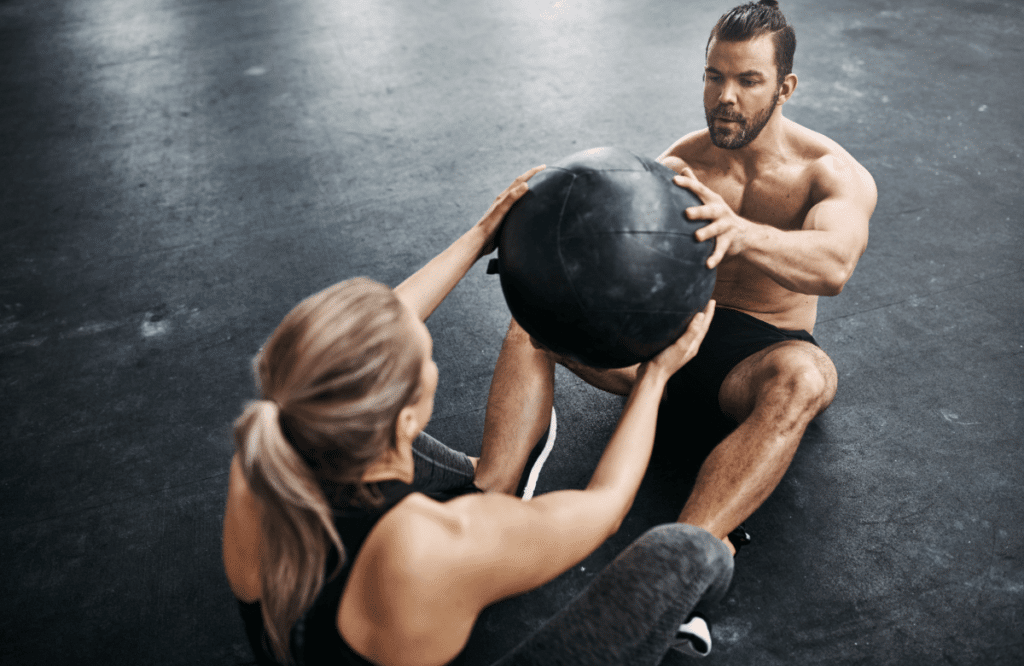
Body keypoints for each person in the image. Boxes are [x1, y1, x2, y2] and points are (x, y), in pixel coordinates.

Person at [222, 165, 733, 666]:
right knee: (689, 552)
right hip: (421, 567)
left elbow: (370, 338)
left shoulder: (266, 451)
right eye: (428, 359)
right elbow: (605, 506)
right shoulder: (430, 545)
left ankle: (497, 480)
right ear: (404, 421)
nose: (430, 360)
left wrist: (482, 233)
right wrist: (655, 376)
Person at [473, 0, 878, 558]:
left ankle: (682, 555)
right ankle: (489, 489)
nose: (725, 97)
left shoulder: (828, 173)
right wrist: (538, 247)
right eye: (714, 76)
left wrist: (739, 232)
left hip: (752, 360)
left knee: (807, 379)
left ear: (785, 88)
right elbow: (612, 241)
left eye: (748, 80)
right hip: (661, 347)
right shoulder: (684, 163)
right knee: (534, 320)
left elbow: (833, 266)